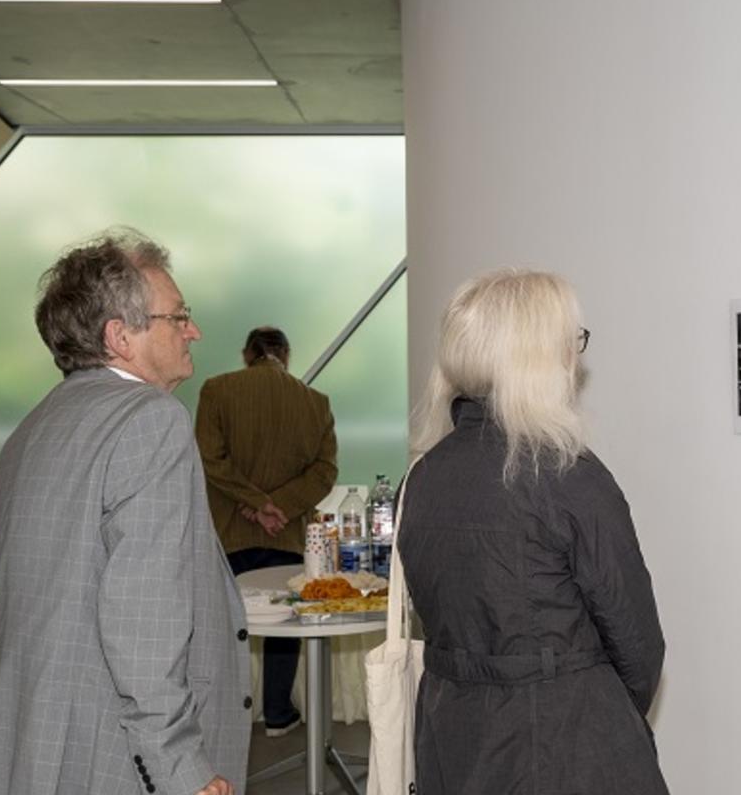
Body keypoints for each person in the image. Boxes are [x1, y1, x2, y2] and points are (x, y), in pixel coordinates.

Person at [0, 227, 248, 795]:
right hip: (108, 753)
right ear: (120, 336)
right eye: (177, 316)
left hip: (26, 741)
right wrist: (179, 768)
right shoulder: (150, 420)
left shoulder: (34, 429)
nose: (194, 330)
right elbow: (142, 615)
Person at [399, 269, 669, 795]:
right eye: (573, 342)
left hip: (453, 736)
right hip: (567, 746)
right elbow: (638, 643)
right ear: (537, 358)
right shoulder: (569, 474)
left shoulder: (425, 474)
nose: (576, 357)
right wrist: (597, 706)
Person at [194, 326, 338, 736]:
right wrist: (279, 507)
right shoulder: (316, 402)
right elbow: (325, 471)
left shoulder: (216, 391)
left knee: (223, 627)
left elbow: (208, 459)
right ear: (286, 355)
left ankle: (222, 720)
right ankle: (277, 712)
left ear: (247, 354)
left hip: (229, 535)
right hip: (288, 534)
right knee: (283, 627)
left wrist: (254, 503)